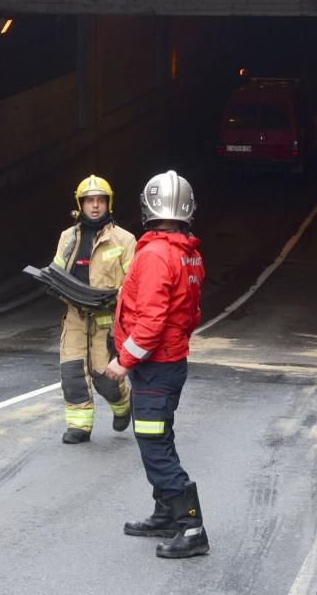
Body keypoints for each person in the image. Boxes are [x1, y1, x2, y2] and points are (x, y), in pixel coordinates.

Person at [104, 170, 209, 559]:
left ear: (148, 207)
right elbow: (190, 314)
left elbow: (150, 321)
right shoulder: (189, 253)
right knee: (159, 438)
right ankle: (165, 513)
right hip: (170, 363)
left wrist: (123, 361)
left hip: (154, 369)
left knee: (155, 446)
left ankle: (192, 527)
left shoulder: (154, 255)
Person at [53, 175, 137, 444]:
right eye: (90, 200)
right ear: (81, 204)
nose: (95, 206)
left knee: (106, 377)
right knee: (73, 374)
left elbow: (134, 283)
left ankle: (123, 403)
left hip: (106, 320)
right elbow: (56, 271)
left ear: (108, 203)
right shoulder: (68, 238)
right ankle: (80, 426)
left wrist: (114, 299)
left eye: (100, 200)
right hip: (75, 318)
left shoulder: (124, 240)